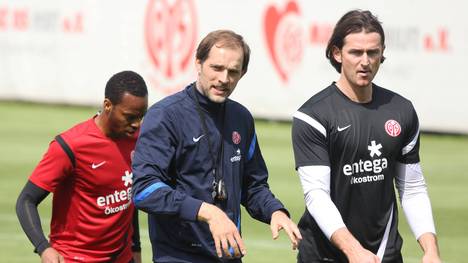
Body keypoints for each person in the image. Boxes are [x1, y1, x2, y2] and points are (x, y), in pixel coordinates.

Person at [131, 29, 302, 263]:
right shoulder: (165, 116)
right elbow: (144, 190)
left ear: (243, 73)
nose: (224, 79)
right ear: (198, 63)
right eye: (217, 68)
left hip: (229, 256)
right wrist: (208, 213)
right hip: (179, 258)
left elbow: (252, 186)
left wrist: (275, 210)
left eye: (233, 71)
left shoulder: (241, 118)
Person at [291, 10, 442, 263]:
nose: (365, 61)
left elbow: (412, 187)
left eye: (373, 52)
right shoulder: (313, 116)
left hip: (385, 253)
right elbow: (316, 195)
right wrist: (354, 251)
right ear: (337, 54)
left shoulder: (401, 110)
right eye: (356, 52)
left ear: (382, 53)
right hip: (325, 256)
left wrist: (430, 250)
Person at [16, 70, 148, 263]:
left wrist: (135, 248)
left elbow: (129, 196)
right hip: (73, 258)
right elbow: (26, 200)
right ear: (107, 105)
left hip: (123, 258)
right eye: (129, 117)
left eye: (141, 116)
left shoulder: (137, 139)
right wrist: (43, 248)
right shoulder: (70, 146)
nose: (137, 124)